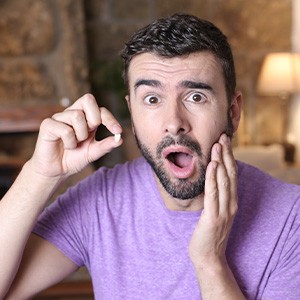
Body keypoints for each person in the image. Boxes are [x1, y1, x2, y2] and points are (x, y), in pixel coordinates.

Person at [0, 13, 299, 300]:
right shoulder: (102, 201)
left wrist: (210, 262)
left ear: (233, 113)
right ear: (132, 113)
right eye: (152, 99)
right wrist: (39, 173)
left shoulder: (291, 219)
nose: (173, 121)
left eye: (196, 97)